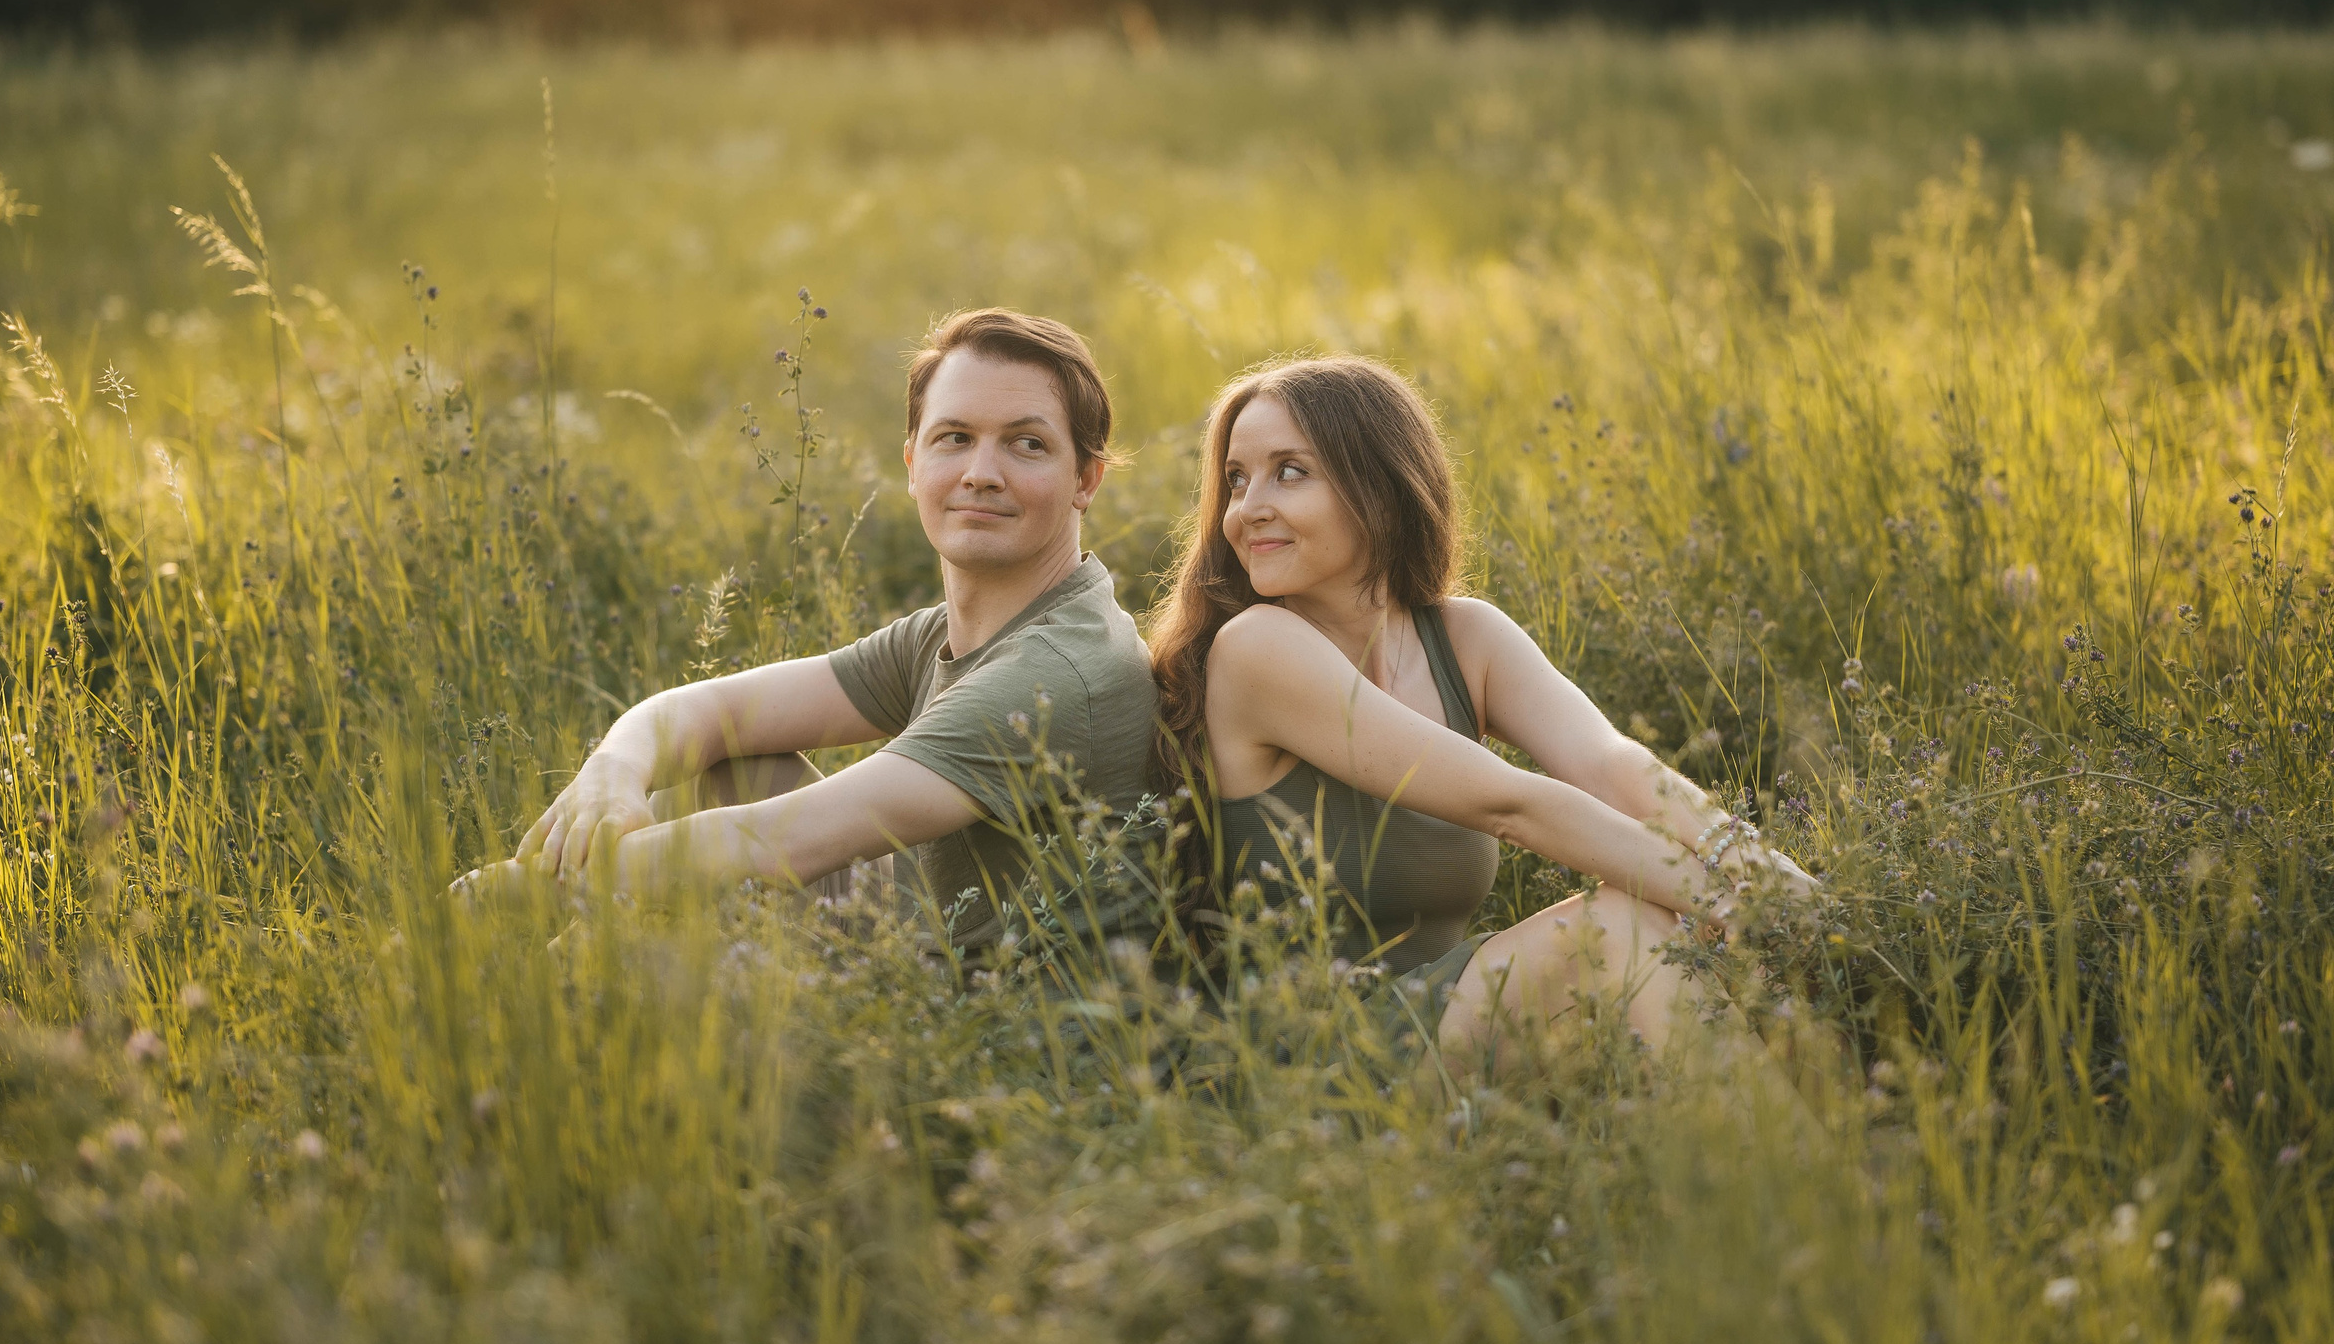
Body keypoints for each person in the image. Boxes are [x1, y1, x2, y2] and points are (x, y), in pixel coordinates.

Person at [1145, 355, 1812, 1065]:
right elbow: (1511, 804)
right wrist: (1730, 902)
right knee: (1622, 926)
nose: (1247, 509)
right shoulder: (1258, 649)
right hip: (1308, 1064)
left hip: (1446, 1025)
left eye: (1290, 471)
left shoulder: (1465, 637)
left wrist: (1778, 883)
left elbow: (1613, 764)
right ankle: (1782, 1167)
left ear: (1380, 487)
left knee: (1676, 934)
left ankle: (1808, 1146)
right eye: (1237, 480)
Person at [461, 308, 1155, 944]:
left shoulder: (1054, 670)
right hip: (911, 955)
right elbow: (713, 708)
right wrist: (610, 775)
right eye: (955, 438)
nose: (980, 473)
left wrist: (536, 886)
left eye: (1026, 445)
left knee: (627, 963)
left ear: (1086, 479)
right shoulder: (948, 633)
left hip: (1002, 1044)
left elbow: (786, 841)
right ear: (914, 463)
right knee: (738, 753)